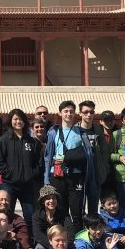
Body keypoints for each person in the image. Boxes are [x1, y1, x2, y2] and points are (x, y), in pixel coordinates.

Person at [0, 109, 41, 231]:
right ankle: (6, 238)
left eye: (20, 119)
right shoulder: (4, 140)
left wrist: (31, 174)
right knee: (6, 215)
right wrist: (11, 174)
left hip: (27, 185)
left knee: (30, 216)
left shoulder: (32, 142)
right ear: (10, 121)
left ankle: (29, 239)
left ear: (24, 121)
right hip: (9, 184)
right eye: (15, 119)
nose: (18, 121)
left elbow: (39, 163)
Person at [43, 100, 85, 236]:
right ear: (60, 113)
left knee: (77, 211)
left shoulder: (81, 132)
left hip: (75, 175)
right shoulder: (53, 132)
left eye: (71, 111)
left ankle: (78, 239)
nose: (69, 114)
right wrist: (46, 179)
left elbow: (87, 154)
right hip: (57, 175)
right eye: (66, 111)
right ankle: (60, 238)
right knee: (60, 210)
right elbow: (48, 156)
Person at [32, 185, 70, 249]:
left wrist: (62, 244)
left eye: (53, 198)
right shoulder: (37, 216)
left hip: (62, 243)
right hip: (46, 244)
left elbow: (70, 232)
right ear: (43, 201)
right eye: (48, 198)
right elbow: (38, 235)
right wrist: (54, 245)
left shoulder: (64, 214)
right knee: (40, 248)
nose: (51, 201)